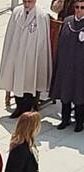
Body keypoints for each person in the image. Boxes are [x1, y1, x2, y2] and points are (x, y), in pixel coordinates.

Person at [0, 0, 52, 118]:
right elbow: (11, 35)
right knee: (17, 80)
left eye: (30, 1)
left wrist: (35, 54)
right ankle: (19, 107)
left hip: (33, 56)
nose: (27, 4)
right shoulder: (17, 12)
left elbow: (43, 40)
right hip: (17, 53)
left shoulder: (41, 15)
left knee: (31, 81)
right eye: (25, 1)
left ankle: (29, 108)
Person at [49, 0, 84, 132]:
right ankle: (65, 119)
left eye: (82, 8)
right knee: (65, 92)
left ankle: (79, 122)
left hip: (81, 68)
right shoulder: (68, 21)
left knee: (79, 94)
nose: (79, 10)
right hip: (66, 65)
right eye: (77, 7)